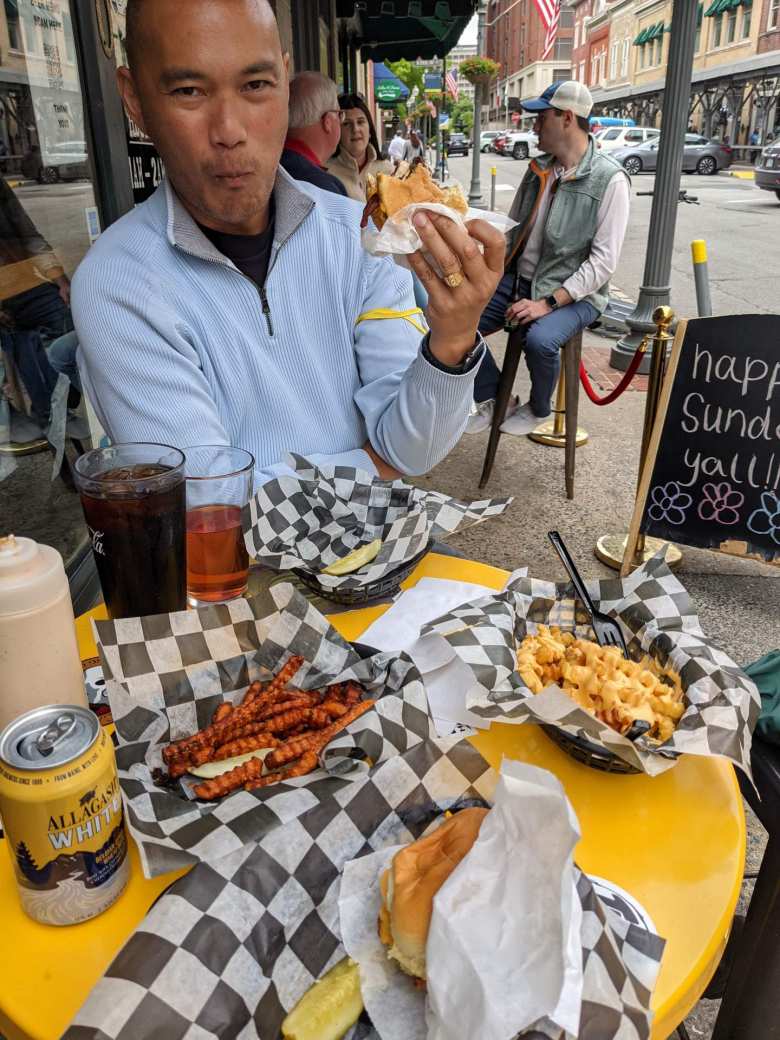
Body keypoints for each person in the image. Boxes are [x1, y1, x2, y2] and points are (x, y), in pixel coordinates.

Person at [71, 0, 504, 489]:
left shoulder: (357, 236)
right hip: (239, 569)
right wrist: (372, 465)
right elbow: (209, 500)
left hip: (382, 557)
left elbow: (411, 448)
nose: (230, 132)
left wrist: (451, 341)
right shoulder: (116, 282)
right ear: (135, 101)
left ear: (283, 78)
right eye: (188, 91)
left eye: (255, 85)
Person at [466, 80, 630, 436]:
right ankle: (495, 393)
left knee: (541, 341)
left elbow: (603, 263)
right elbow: (512, 233)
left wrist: (548, 302)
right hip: (519, 279)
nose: (534, 126)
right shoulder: (538, 168)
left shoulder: (609, 179)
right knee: (456, 319)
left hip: (577, 294)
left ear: (567, 118)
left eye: (541, 117)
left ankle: (539, 407)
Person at [279, 71, 347, 196]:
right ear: (327, 122)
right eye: (339, 114)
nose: (341, 122)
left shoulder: (270, 169)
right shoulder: (325, 189)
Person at [326, 93, 391, 202]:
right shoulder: (327, 173)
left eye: (360, 122)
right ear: (337, 131)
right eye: (346, 124)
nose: (355, 129)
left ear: (370, 130)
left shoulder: (388, 171)